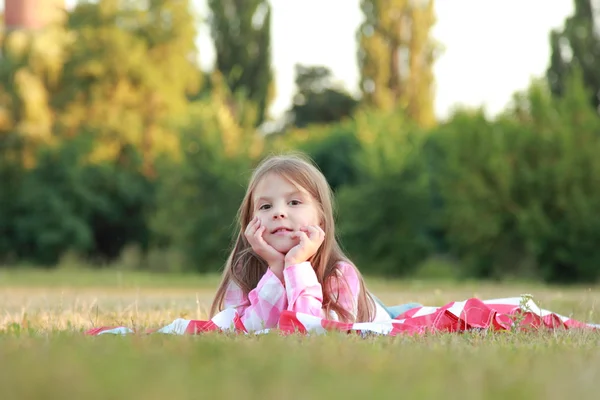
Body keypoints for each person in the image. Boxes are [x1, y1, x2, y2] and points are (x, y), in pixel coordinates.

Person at [209, 153, 420, 331]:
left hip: (374, 311)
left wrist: (296, 266)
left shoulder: (340, 274)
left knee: (413, 313)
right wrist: (275, 269)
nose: (279, 213)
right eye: (265, 207)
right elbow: (250, 329)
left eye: (294, 202)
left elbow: (313, 329)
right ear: (249, 221)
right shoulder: (243, 270)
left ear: (321, 218)